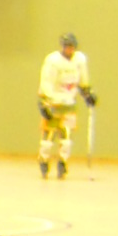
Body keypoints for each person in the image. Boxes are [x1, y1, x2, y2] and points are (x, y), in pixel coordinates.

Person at [38, 32, 95, 179]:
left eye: (72, 47)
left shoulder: (80, 60)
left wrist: (87, 93)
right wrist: (44, 102)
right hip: (54, 102)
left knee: (66, 137)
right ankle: (44, 160)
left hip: (69, 102)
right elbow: (46, 81)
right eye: (67, 47)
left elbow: (82, 80)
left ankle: (63, 162)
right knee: (49, 136)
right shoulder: (53, 61)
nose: (69, 50)